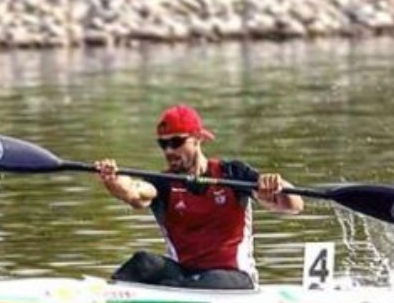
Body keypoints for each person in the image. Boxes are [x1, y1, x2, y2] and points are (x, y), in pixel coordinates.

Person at [95, 105, 303, 290]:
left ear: (198, 139)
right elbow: (134, 192)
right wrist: (113, 180)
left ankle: (171, 295)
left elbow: (294, 206)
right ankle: (108, 297)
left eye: (176, 142)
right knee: (143, 262)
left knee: (204, 281)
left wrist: (277, 186)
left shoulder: (233, 174)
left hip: (233, 277)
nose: (169, 151)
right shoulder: (163, 182)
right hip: (184, 274)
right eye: (163, 144)